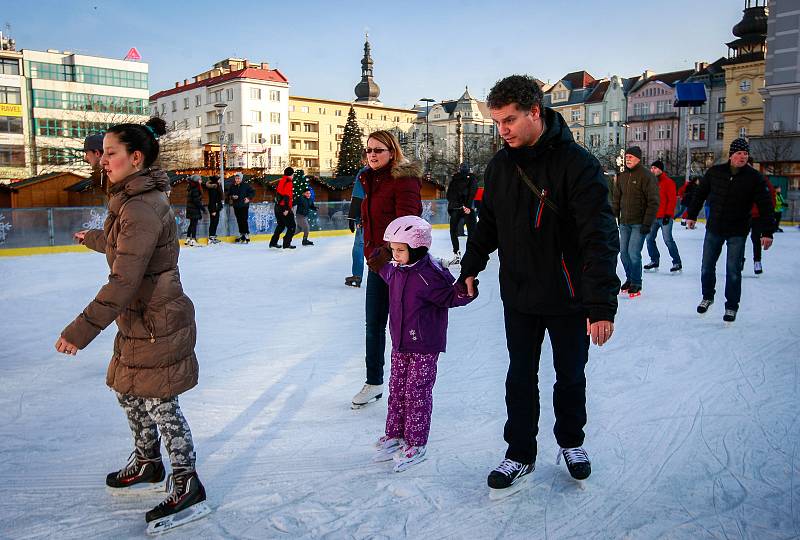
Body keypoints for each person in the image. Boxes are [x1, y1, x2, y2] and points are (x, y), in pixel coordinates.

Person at [459, 75, 620, 496]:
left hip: (568, 297)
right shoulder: (499, 165)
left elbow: (600, 237)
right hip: (520, 294)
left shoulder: (577, 165)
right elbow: (488, 223)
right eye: (497, 122)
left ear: (535, 112)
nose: (503, 130)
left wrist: (600, 304)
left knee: (570, 376)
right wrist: (472, 263)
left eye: (510, 120)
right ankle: (520, 451)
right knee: (519, 376)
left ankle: (572, 443)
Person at [55, 117, 208, 530]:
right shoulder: (131, 198)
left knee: (161, 402)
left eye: (110, 153)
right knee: (127, 389)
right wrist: (95, 238)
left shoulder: (139, 205)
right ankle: (148, 463)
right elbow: (129, 249)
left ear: (134, 157)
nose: (101, 160)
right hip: (140, 317)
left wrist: (78, 331)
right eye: (102, 153)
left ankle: (186, 481)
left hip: (155, 318)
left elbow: (125, 278)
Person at [368, 216, 477, 471]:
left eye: (399, 250)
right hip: (400, 343)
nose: (394, 255)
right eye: (392, 249)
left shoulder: (432, 275)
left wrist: (465, 289)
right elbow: (379, 265)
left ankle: (416, 443)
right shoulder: (395, 268)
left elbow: (453, 297)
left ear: (417, 248)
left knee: (416, 394)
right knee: (396, 390)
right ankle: (395, 435)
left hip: (425, 346)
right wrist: (380, 254)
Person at [352, 130, 422, 409]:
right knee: (374, 325)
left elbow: (408, 221)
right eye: (369, 150)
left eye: (378, 150)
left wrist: (386, 252)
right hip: (377, 266)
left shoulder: (403, 180)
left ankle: (408, 383)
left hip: (399, 266)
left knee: (402, 326)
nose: (372, 155)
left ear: (392, 152)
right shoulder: (369, 180)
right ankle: (374, 381)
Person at [686, 138, 775, 323]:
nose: (742, 157)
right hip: (715, 228)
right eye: (739, 153)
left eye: (745, 154)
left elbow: (765, 206)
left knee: (733, 270)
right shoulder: (715, 172)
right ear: (731, 155)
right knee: (706, 267)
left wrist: (767, 232)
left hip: (738, 229)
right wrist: (692, 215)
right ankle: (707, 296)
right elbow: (700, 194)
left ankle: (731, 306)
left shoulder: (754, 178)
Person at [611, 146, 659, 297]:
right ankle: (630, 278)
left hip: (639, 223)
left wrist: (647, 223)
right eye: (627, 157)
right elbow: (617, 199)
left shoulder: (647, 176)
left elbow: (653, 201)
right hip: (624, 222)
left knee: (633, 253)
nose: (628, 159)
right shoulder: (622, 176)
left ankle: (636, 282)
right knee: (623, 254)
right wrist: (614, 217)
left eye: (631, 157)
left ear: (638, 159)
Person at [643, 160, 682, 273]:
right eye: (651, 168)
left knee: (668, 239)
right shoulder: (650, 183)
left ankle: (677, 262)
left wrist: (668, 215)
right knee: (649, 238)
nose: (652, 170)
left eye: (654, 168)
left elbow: (672, 200)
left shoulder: (668, 182)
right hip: (653, 217)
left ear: (660, 169)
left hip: (665, 217)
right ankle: (654, 260)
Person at [446, 163, 478, 265]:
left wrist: (459, 204)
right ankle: (470, 255)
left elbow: (449, 195)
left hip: (456, 208)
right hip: (468, 208)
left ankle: (456, 253)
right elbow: (473, 192)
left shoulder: (454, 179)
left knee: (453, 231)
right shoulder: (472, 178)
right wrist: (467, 206)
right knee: (472, 232)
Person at [747, 176, 776, 275]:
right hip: (743, 214)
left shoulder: (762, 180)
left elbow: (771, 198)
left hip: (758, 216)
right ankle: (740, 259)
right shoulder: (740, 178)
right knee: (738, 238)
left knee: (755, 238)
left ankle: (757, 262)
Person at [345, 165, 368, 288]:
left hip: (365, 219)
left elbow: (357, 197)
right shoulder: (392, 170)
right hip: (386, 220)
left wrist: (352, 217)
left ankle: (357, 275)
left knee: (359, 246)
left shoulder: (364, 173)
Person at [270, 167, 296, 249]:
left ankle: (273, 242)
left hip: (277, 207)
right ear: (291, 174)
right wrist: (286, 209)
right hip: (284, 207)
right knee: (292, 226)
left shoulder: (281, 180)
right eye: (293, 174)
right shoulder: (288, 182)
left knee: (281, 225)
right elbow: (286, 197)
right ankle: (286, 243)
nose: (293, 176)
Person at [228, 172, 254, 243]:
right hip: (236, 205)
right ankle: (241, 234)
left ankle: (246, 233)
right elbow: (229, 194)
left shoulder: (246, 185)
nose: (237, 180)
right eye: (236, 178)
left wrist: (248, 198)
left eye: (238, 178)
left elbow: (252, 192)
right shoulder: (232, 186)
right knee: (239, 220)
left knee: (244, 219)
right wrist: (232, 197)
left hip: (244, 205)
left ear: (241, 179)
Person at [184, 175, 205, 247]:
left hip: (190, 208)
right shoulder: (195, 188)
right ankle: (193, 239)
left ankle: (188, 238)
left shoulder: (190, 187)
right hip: (194, 209)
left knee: (191, 224)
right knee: (194, 224)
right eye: (200, 179)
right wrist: (202, 208)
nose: (201, 181)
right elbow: (196, 201)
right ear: (196, 181)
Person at [204, 175, 223, 244]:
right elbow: (212, 200)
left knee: (215, 222)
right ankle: (211, 237)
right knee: (213, 222)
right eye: (218, 180)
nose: (220, 181)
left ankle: (212, 236)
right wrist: (213, 210)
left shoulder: (216, 187)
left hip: (216, 207)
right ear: (216, 181)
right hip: (214, 207)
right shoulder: (214, 188)